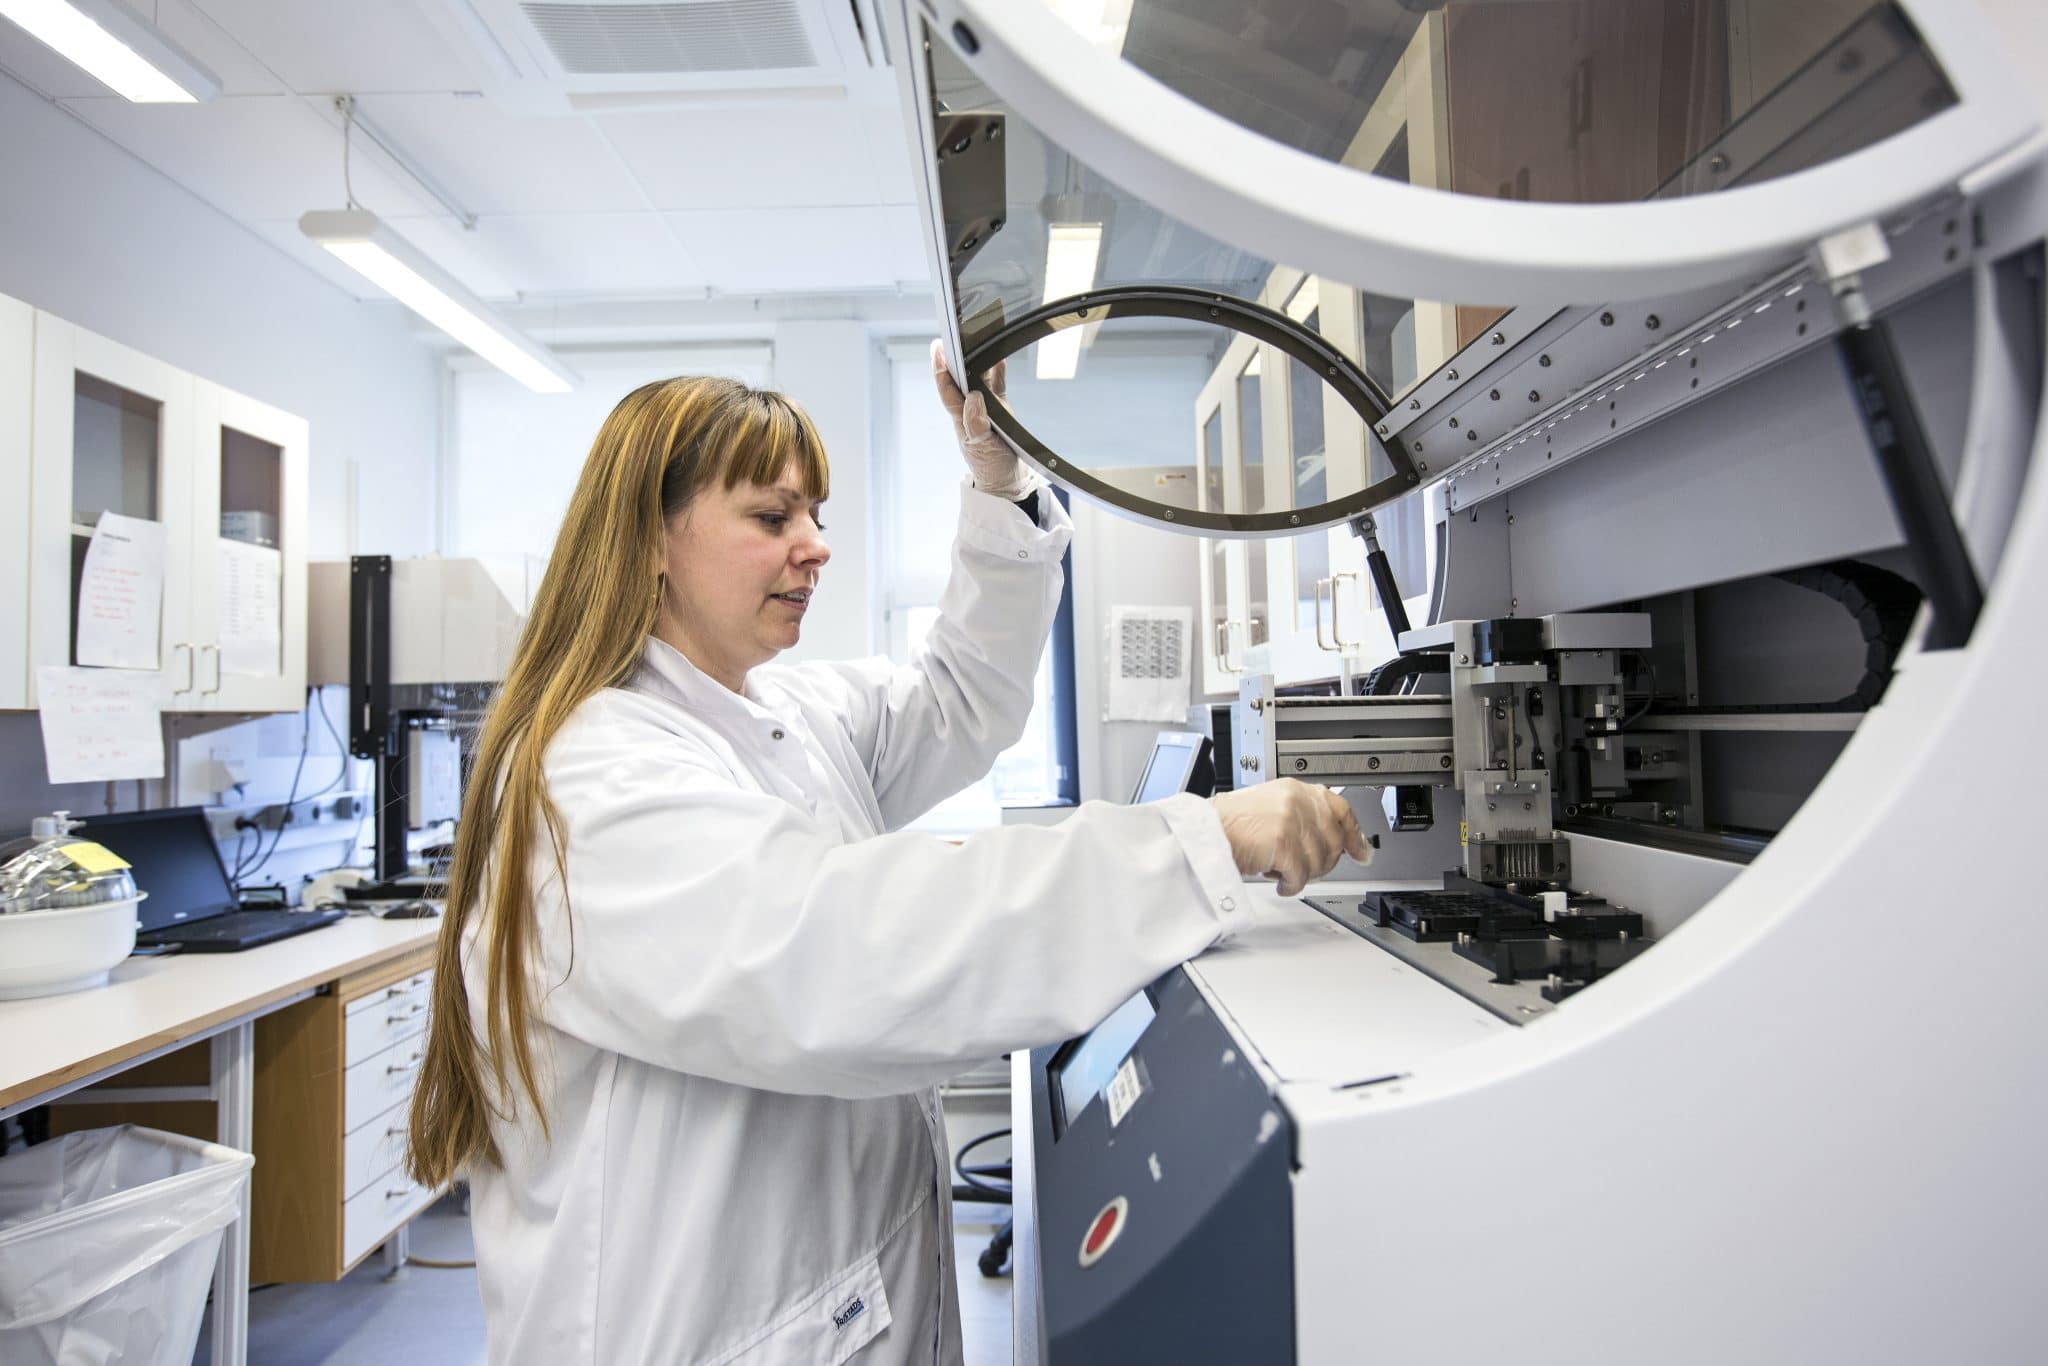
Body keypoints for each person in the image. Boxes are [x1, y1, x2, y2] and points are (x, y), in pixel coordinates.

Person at [406, 344, 1367, 1365]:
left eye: (816, 515)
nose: (815, 546)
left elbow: (960, 695)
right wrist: (1196, 842)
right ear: (650, 537)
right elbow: (851, 950)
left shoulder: (782, 712)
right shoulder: (594, 779)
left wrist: (995, 479)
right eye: (772, 517)